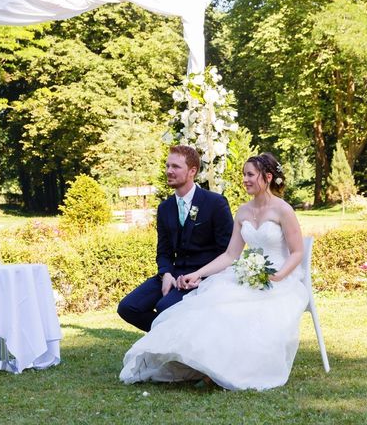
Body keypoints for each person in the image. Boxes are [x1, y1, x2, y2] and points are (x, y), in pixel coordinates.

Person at [119, 153, 310, 391]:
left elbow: (297, 252)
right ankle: (199, 361)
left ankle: (223, 367)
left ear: (268, 177)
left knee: (238, 309)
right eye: (244, 174)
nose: (245, 179)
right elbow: (230, 256)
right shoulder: (243, 211)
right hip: (249, 274)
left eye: (250, 174)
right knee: (213, 301)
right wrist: (198, 274)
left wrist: (278, 276)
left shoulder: (283, 210)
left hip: (281, 279)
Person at [117, 145, 234, 332]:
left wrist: (201, 276)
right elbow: (163, 251)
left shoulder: (215, 203)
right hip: (173, 273)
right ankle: (177, 336)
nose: (169, 171)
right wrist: (166, 274)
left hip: (204, 277)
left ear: (192, 171)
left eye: (176, 167)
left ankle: (180, 338)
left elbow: (227, 252)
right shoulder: (165, 208)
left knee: (165, 307)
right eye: (167, 166)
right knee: (128, 307)